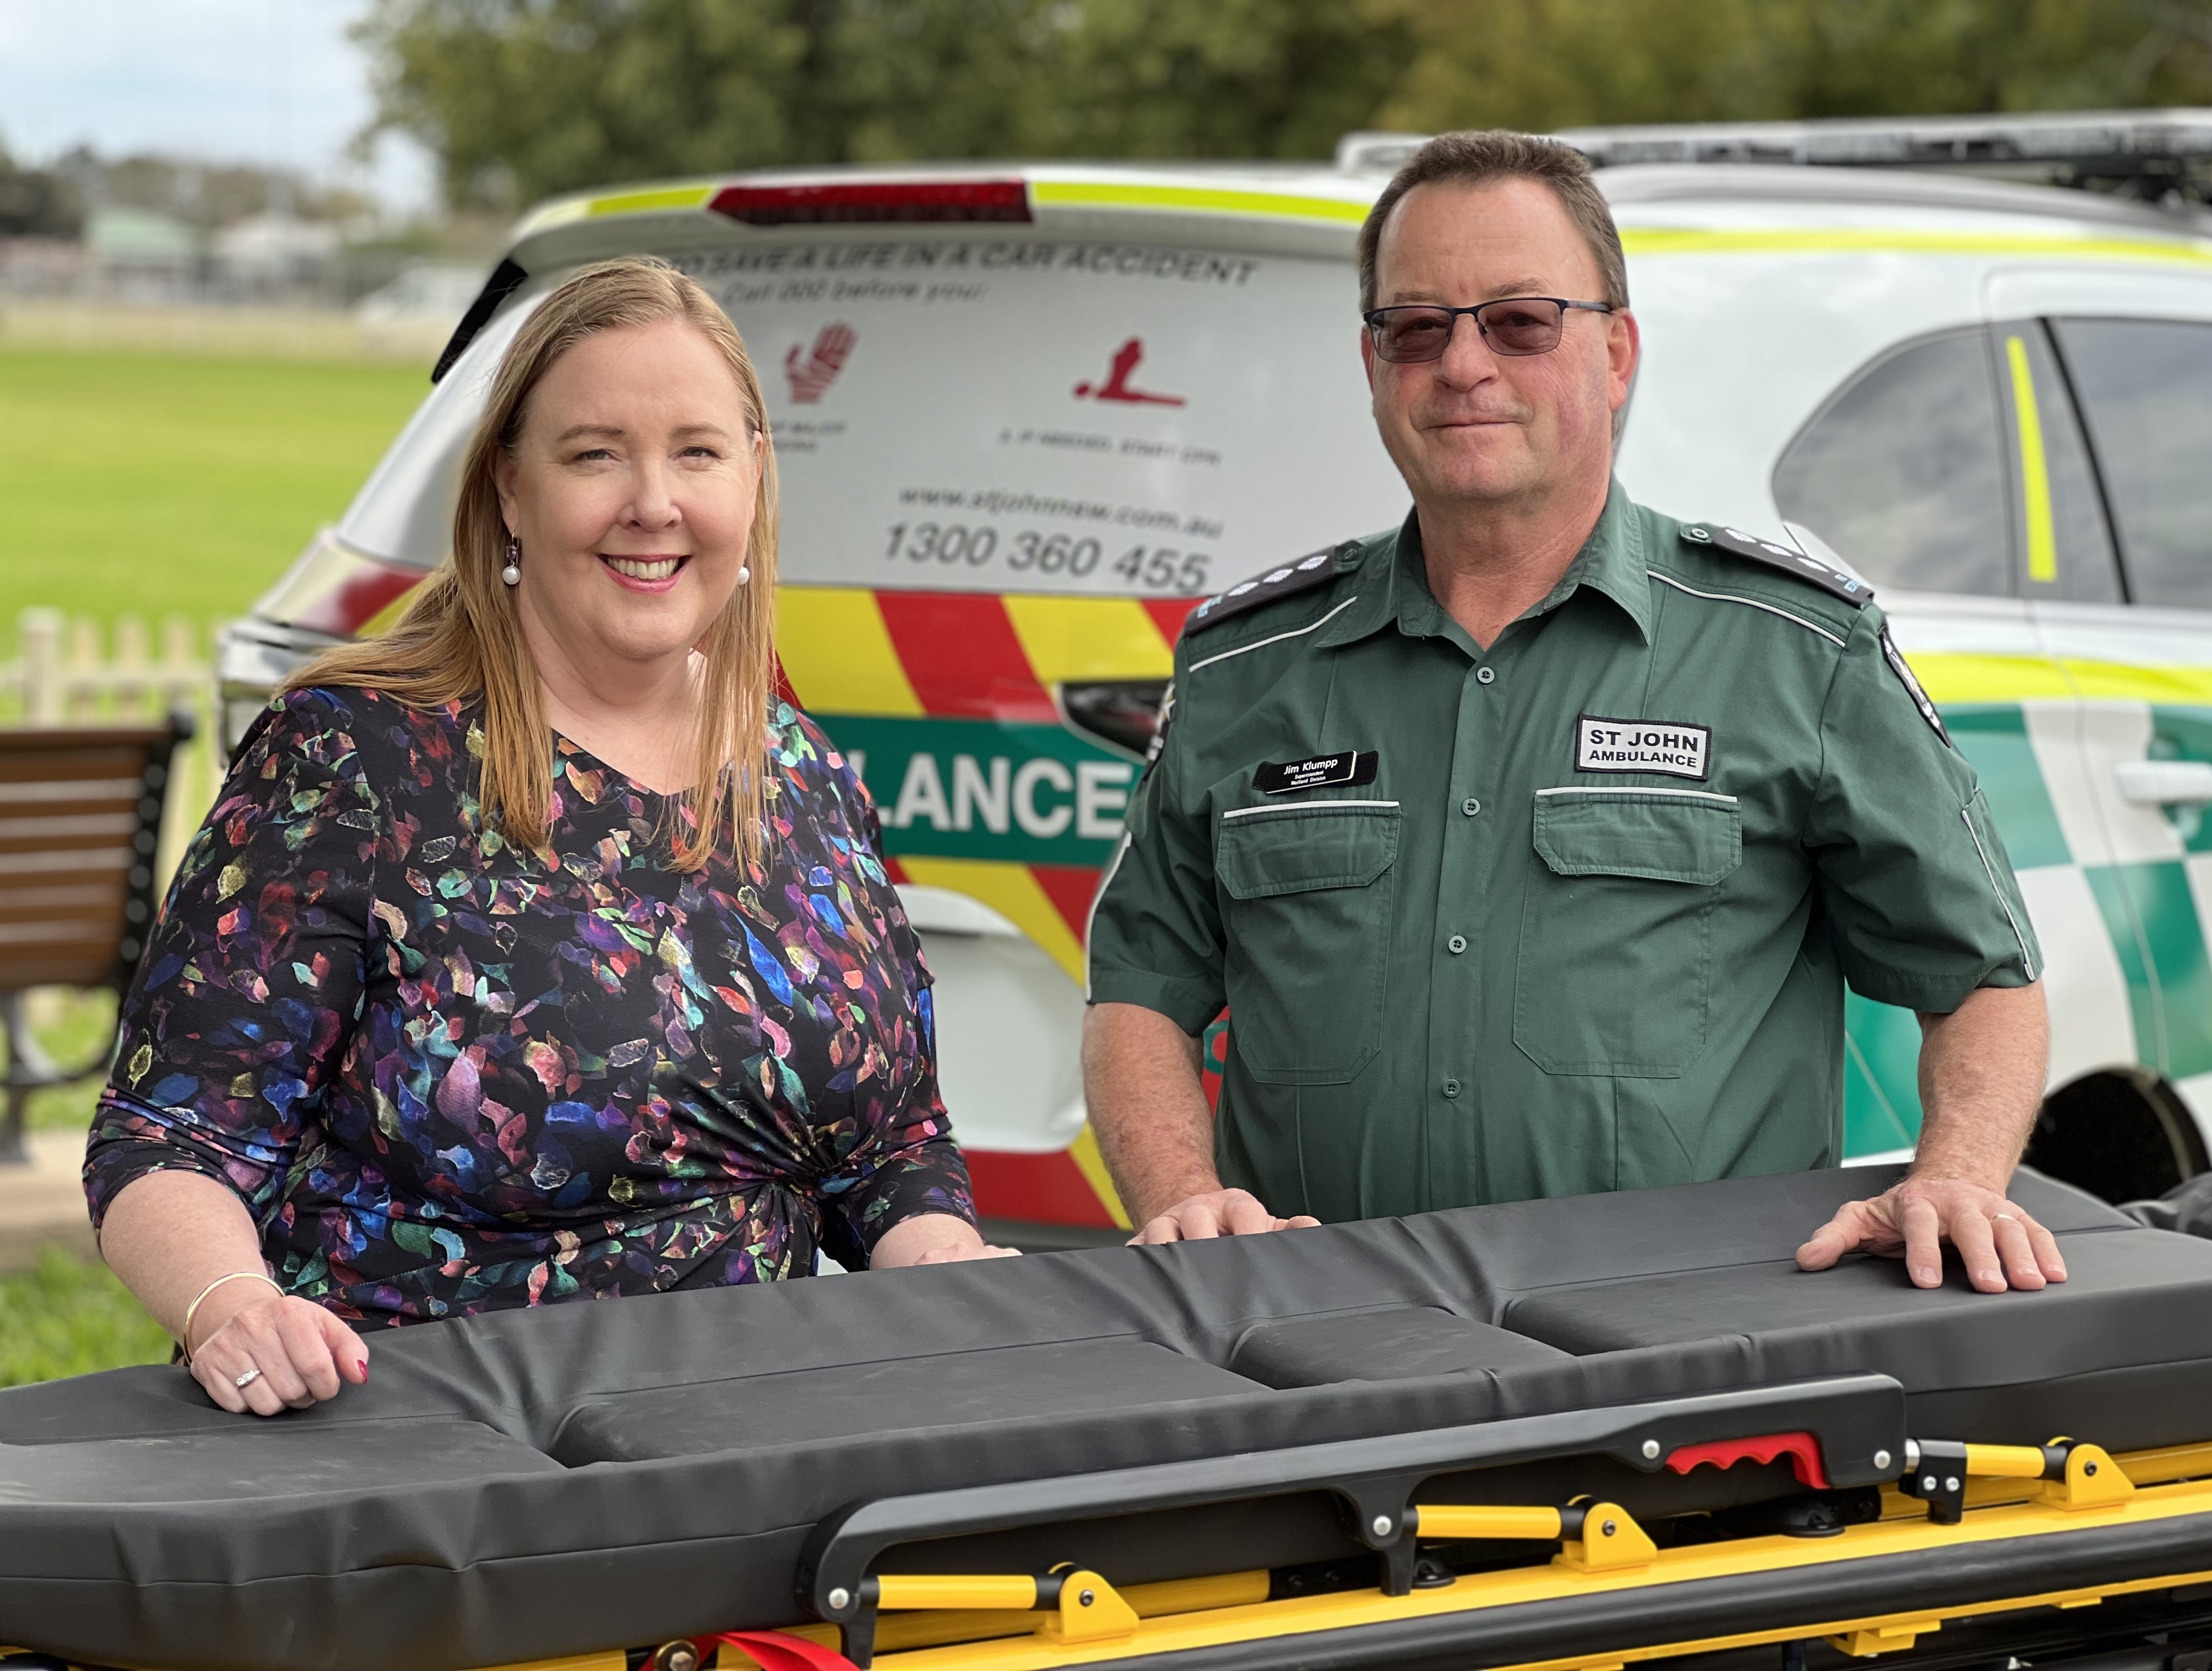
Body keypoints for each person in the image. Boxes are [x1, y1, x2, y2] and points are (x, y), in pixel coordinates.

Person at [1083, 130, 2062, 1297]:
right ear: (1372, 362)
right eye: (1416, 327)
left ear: (1616, 353)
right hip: (1316, 1332)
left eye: (1520, 322)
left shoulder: (1796, 650)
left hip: (1690, 1338)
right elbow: (1140, 988)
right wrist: (1183, 1200)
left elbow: (1982, 976)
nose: (1463, 365)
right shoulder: (1247, 666)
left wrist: (1958, 1177)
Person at [87, 258, 1010, 1419]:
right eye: (595, 455)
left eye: (697, 452)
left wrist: (948, 1263)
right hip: (431, 1450)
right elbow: (167, 1138)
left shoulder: (802, 773)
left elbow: (888, 1149)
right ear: (510, 491)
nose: (654, 503)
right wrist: (233, 1304)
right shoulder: (353, 756)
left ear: (754, 478)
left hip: (751, 1438)